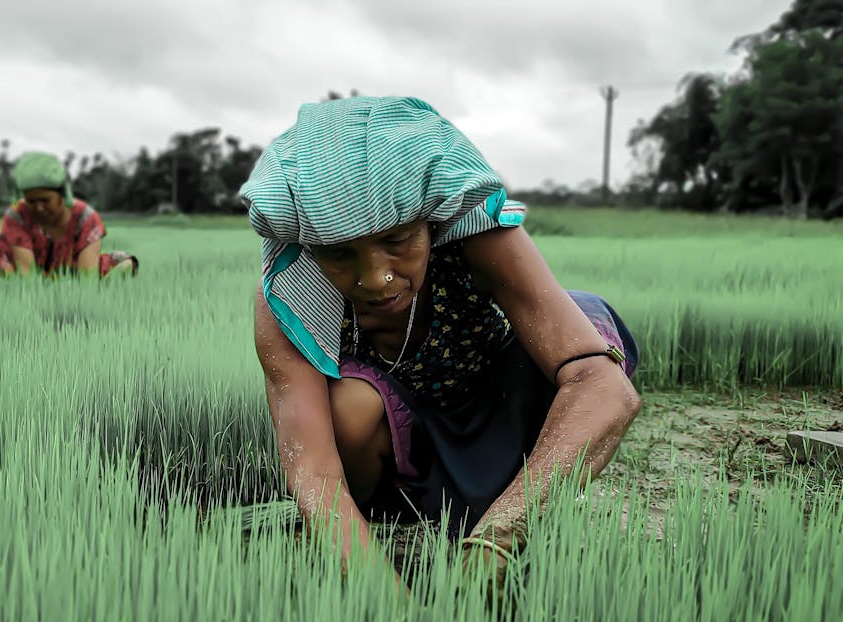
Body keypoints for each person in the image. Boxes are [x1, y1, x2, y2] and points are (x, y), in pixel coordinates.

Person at [240, 96, 641, 592]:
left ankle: (510, 503)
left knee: (587, 327)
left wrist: (498, 538)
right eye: (340, 254)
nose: (378, 278)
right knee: (348, 406)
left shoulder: (477, 239)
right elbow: (313, 472)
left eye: (397, 240)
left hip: (501, 418)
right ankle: (380, 528)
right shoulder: (290, 298)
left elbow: (602, 387)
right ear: (311, 247)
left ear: (428, 220)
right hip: (402, 457)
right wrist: (390, 610)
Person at [0, 151, 138, 278]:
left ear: (62, 195)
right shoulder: (17, 215)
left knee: (125, 264)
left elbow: (88, 277)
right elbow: (26, 274)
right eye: (31, 201)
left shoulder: (85, 217)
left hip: (74, 271)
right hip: (28, 271)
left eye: (45, 200)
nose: (39, 208)